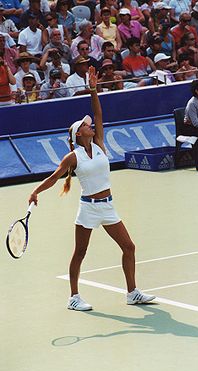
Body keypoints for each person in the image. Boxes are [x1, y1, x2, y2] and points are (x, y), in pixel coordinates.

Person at [28, 66, 156, 311]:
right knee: (80, 252)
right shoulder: (72, 157)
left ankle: (132, 293)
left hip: (108, 206)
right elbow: (55, 178)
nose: (92, 126)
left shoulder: (98, 144)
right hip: (88, 209)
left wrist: (94, 89)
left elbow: (98, 114)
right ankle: (73, 297)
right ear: (79, 134)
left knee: (129, 247)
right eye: (87, 126)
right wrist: (35, 192)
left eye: (91, 125)